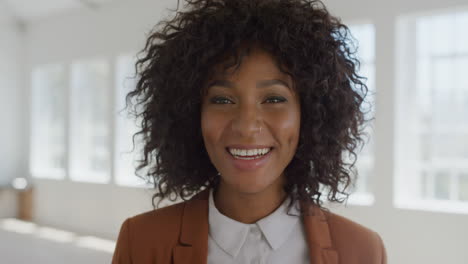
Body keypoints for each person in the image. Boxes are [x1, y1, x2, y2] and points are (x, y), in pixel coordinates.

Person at [112, 0, 387, 263]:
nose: (246, 127)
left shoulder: (362, 251)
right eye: (222, 100)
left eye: (274, 99)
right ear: (191, 113)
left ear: (312, 113)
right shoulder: (141, 243)